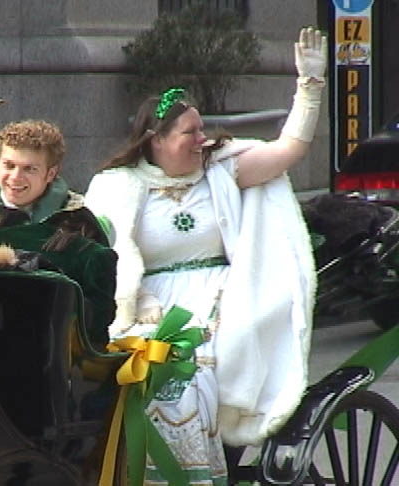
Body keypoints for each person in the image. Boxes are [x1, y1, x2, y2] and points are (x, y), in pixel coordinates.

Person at [85, 27, 325, 484]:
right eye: (189, 132)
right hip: (148, 305)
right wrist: (134, 302)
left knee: (193, 372)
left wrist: (310, 87)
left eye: (201, 129)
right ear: (155, 139)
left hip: (223, 298)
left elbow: (289, 150)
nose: (202, 138)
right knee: (134, 373)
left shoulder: (221, 170)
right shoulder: (118, 185)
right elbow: (104, 255)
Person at [0, 119, 117, 345]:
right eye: (9, 165)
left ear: (51, 173)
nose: (15, 177)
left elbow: (99, 305)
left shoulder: (78, 222)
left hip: (55, 343)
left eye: (29, 169)